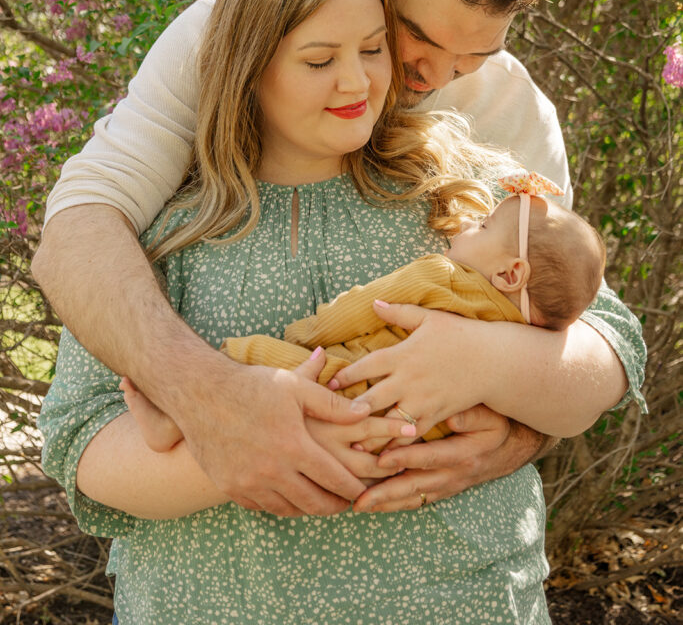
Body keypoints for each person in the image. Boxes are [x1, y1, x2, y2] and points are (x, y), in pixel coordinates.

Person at [32, 0, 646, 517]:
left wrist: (512, 431)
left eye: (472, 56)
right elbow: (81, 227)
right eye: (413, 36)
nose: (434, 77)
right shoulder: (223, 37)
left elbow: (569, 312)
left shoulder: (506, 106)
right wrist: (206, 398)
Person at [122, 171, 606, 454]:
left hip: (347, 381)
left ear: (509, 274)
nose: (466, 226)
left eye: (481, 226)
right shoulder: (519, 332)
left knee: (251, 358)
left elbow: (364, 309)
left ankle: (176, 420)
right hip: (416, 432)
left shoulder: (443, 277)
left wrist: (305, 333)